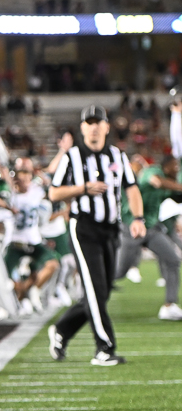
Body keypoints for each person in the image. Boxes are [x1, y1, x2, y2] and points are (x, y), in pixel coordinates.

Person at [48, 105, 144, 366]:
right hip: (84, 228)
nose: (93, 127)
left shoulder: (117, 155)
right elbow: (54, 193)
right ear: (82, 128)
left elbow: (132, 188)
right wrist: (83, 188)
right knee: (94, 289)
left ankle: (62, 330)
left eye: (97, 122)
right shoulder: (72, 157)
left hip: (110, 229)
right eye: (88, 122)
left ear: (106, 127)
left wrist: (138, 218)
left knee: (100, 292)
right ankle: (104, 348)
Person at [115, 154, 182, 321]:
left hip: (151, 229)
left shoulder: (169, 183)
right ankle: (88, 289)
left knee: (173, 260)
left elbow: (174, 195)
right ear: (166, 166)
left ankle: (170, 306)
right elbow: (156, 181)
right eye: (174, 166)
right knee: (120, 271)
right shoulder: (153, 171)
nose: (177, 169)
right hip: (133, 228)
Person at [6, 158, 59, 315]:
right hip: (15, 242)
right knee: (7, 278)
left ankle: (33, 290)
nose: (24, 182)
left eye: (27, 177)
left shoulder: (36, 191)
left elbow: (51, 187)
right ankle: (19, 299)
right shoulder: (10, 195)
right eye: (21, 178)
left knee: (53, 264)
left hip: (34, 240)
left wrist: (40, 173)